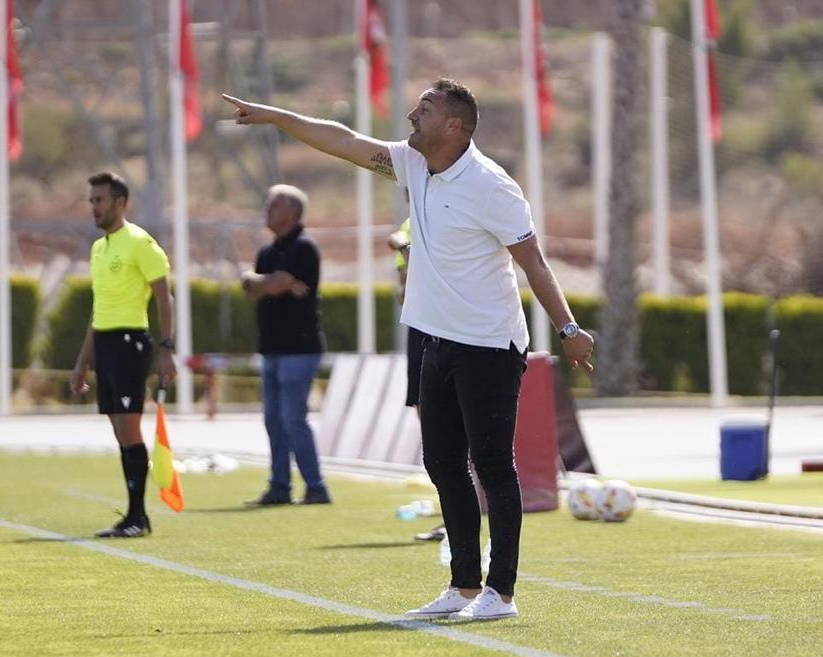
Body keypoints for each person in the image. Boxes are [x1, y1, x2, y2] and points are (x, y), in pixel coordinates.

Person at [223, 78, 594, 621]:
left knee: (492, 465)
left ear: (454, 126)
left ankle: (502, 594)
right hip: (435, 340)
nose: (411, 115)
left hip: (490, 344)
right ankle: (464, 586)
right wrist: (278, 117)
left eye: (424, 108)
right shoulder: (412, 163)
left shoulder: (493, 185)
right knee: (443, 464)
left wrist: (568, 329)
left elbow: (533, 261)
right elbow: (342, 139)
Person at [70, 172, 177, 538]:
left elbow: (165, 298)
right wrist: (83, 361)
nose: (94, 207)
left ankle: (137, 516)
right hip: (106, 346)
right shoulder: (99, 248)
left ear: (120, 202)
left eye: (100, 200)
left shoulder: (140, 243)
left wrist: (166, 348)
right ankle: (134, 515)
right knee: (119, 431)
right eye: (92, 200)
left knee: (130, 428)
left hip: (132, 344)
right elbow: (98, 311)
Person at [241, 184, 331, 507]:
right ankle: (279, 486)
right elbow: (251, 286)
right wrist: (273, 282)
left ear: (293, 212)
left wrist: (269, 282)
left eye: (273, 206)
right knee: (274, 420)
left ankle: (316, 487)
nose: (267, 212)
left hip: (299, 348)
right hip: (272, 347)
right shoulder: (268, 252)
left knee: (293, 418)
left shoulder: (304, 247)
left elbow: (268, 284)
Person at [387, 211, 445, 544]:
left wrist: (406, 246)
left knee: (453, 428)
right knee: (430, 424)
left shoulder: (450, 209)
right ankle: (450, 514)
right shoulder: (411, 220)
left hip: (446, 330)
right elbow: (404, 290)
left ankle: (464, 517)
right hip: (419, 330)